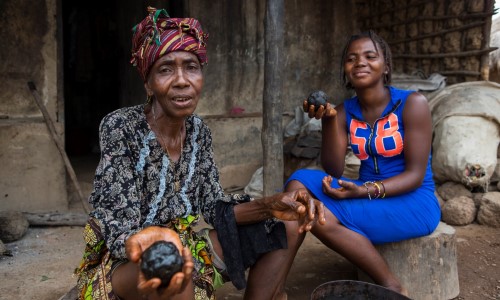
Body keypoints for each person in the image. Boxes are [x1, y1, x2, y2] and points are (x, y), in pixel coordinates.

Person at [74, 7, 324, 300]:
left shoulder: (197, 131)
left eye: (191, 67)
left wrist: (270, 206)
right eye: (166, 69)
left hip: (185, 245)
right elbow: (117, 229)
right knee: (172, 267)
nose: (182, 80)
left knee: (288, 224)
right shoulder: (121, 127)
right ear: (148, 83)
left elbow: (213, 206)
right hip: (127, 262)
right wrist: (156, 244)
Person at [285, 30, 441, 295]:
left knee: (317, 215)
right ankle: (277, 287)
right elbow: (333, 168)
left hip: (413, 200)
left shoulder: (412, 103)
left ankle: (392, 286)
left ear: (386, 66)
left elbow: (415, 175)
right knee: (298, 182)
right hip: (365, 191)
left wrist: (364, 190)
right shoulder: (345, 111)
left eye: (370, 56)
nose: (360, 63)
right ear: (345, 69)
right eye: (352, 58)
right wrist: (329, 120)